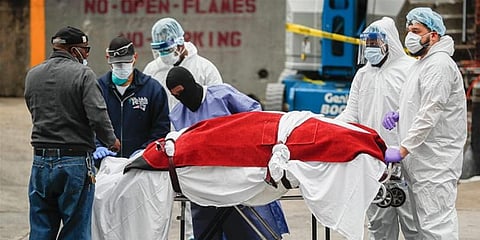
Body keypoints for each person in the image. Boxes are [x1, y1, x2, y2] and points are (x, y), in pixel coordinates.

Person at [166, 66, 289, 240]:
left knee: (251, 227)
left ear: (191, 84)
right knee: (207, 231)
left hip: (237, 177)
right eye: (175, 95)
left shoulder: (222, 95)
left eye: (182, 92)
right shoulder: (178, 114)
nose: (180, 98)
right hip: (205, 185)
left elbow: (256, 117)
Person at [24, 26, 120, 240]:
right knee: (75, 230)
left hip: (40, 163)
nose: (87, 55)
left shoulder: (33, 74)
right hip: (74, 163)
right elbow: (97, 114)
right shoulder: (83, 74)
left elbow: (33, 109)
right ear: (74, 50)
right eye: (86, 49)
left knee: (41, 229)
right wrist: (111, 140)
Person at [382, 7, 467, 240]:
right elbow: (420, 101)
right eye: (408, 29)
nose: (410, 35)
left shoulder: (439, 65)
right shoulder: (422, 63)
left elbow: (431, 111)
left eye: (416, 30)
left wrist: (403, 148)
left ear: (434, 35)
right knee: (424, 225)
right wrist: (401, 113)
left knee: (436, 225)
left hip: (436, 161)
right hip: (423, 160)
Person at [336, 17, 417, 239]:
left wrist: (402, 115)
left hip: (406, 156)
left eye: (375, 43)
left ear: (389, 42)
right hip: (374, 158)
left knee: (414, 223)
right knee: (378, 224)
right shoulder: (363, 75)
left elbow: (422, 110)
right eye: (368, 44)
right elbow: (351, 114)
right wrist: (331, 126)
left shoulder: (410, 69)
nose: (371, 49)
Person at [93, 36, 170, 163]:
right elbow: (88, 124)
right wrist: (97, 146)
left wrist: (146, 150)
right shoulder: (97, 89)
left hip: (141, 164)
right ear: (108, 59)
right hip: (105, 164)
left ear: (135, 58)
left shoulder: (152, 90)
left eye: (126, 62)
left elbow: (161, 129)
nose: (122, 67)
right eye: (117, 64)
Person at [144, 17, 223, 110]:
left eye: (168, 50)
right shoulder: (152, 70)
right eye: (161, 51)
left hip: (197, 124)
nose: (164, 55)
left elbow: (217, 103)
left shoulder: (205, 69)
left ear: (180, 44)